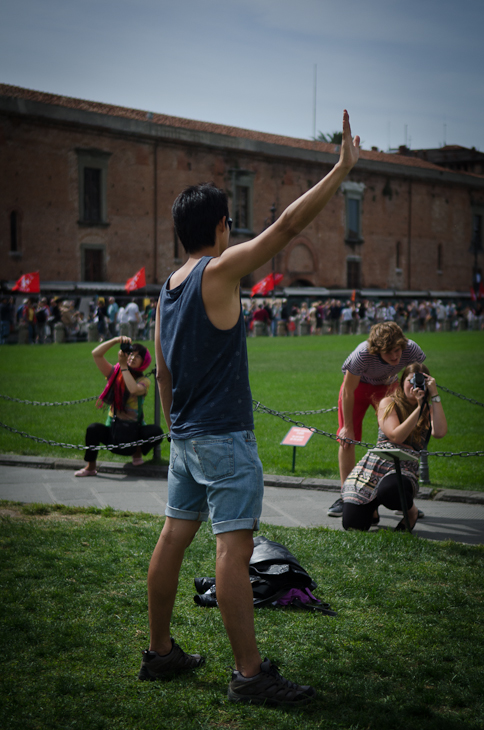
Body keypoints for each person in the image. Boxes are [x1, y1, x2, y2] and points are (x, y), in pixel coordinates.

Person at [140, 111, 359, 706]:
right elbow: (285, 228)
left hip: (185, 437)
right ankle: (249, 673)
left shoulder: (167, 285)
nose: (234, 235)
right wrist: (340, 170)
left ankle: (160, 653)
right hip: (223, 439)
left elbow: (162, 370)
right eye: (230, 226)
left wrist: (177, 428)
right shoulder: (219, 270)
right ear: (218, 229)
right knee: (233, 550)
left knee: (173, 538)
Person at [328, 321, 426, 518]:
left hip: (388, 386)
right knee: (347, 440)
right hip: (358, 388)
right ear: (376, 349)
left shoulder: (411, 350)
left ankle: (401, 497)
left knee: (398, 438)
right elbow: (348, 391)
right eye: (388, 352)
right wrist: (347, 427)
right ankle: (346, 495)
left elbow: (418, 376)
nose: (394, 356)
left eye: (397, 350)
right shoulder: (362, 354)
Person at [342, 362, 447, 531]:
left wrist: (434, 395)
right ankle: (372, 509)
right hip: (376, 464)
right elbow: (396, 436)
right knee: (352, 525)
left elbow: (440, 432)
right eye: (411, 381)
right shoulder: (388, 403)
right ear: (402, 381)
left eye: (420, 382)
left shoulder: (428, 409)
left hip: (404, 467)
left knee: (390, 490)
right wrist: (418, 410)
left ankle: (411, 513)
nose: (415, 386)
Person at [75, 336, 163, 477]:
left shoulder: (144, 380)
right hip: (114, 431)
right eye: (131, 353)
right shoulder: (115, 373)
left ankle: (137, 453)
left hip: (133, 432)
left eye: (138, 356)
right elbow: (96, 354)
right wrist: (115, 340)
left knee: (156, 431)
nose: (133, 357)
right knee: (93, 429)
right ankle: (90, 467)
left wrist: (123, 366)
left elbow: (133, 389)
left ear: (144, 362)